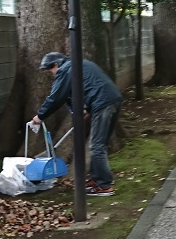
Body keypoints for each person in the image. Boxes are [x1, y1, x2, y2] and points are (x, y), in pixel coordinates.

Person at [32, 52, 123, 197]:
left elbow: (56, 97)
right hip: (113, 100)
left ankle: (104, 186)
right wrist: (84, 109)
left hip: (102, 104)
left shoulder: (65, 69)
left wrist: (40, 116)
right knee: (100, 144)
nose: (53, 74)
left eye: (51, 71)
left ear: (56, 65)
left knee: (96, 146)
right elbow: (84, 89)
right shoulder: (79, 64)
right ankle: (97, 180)